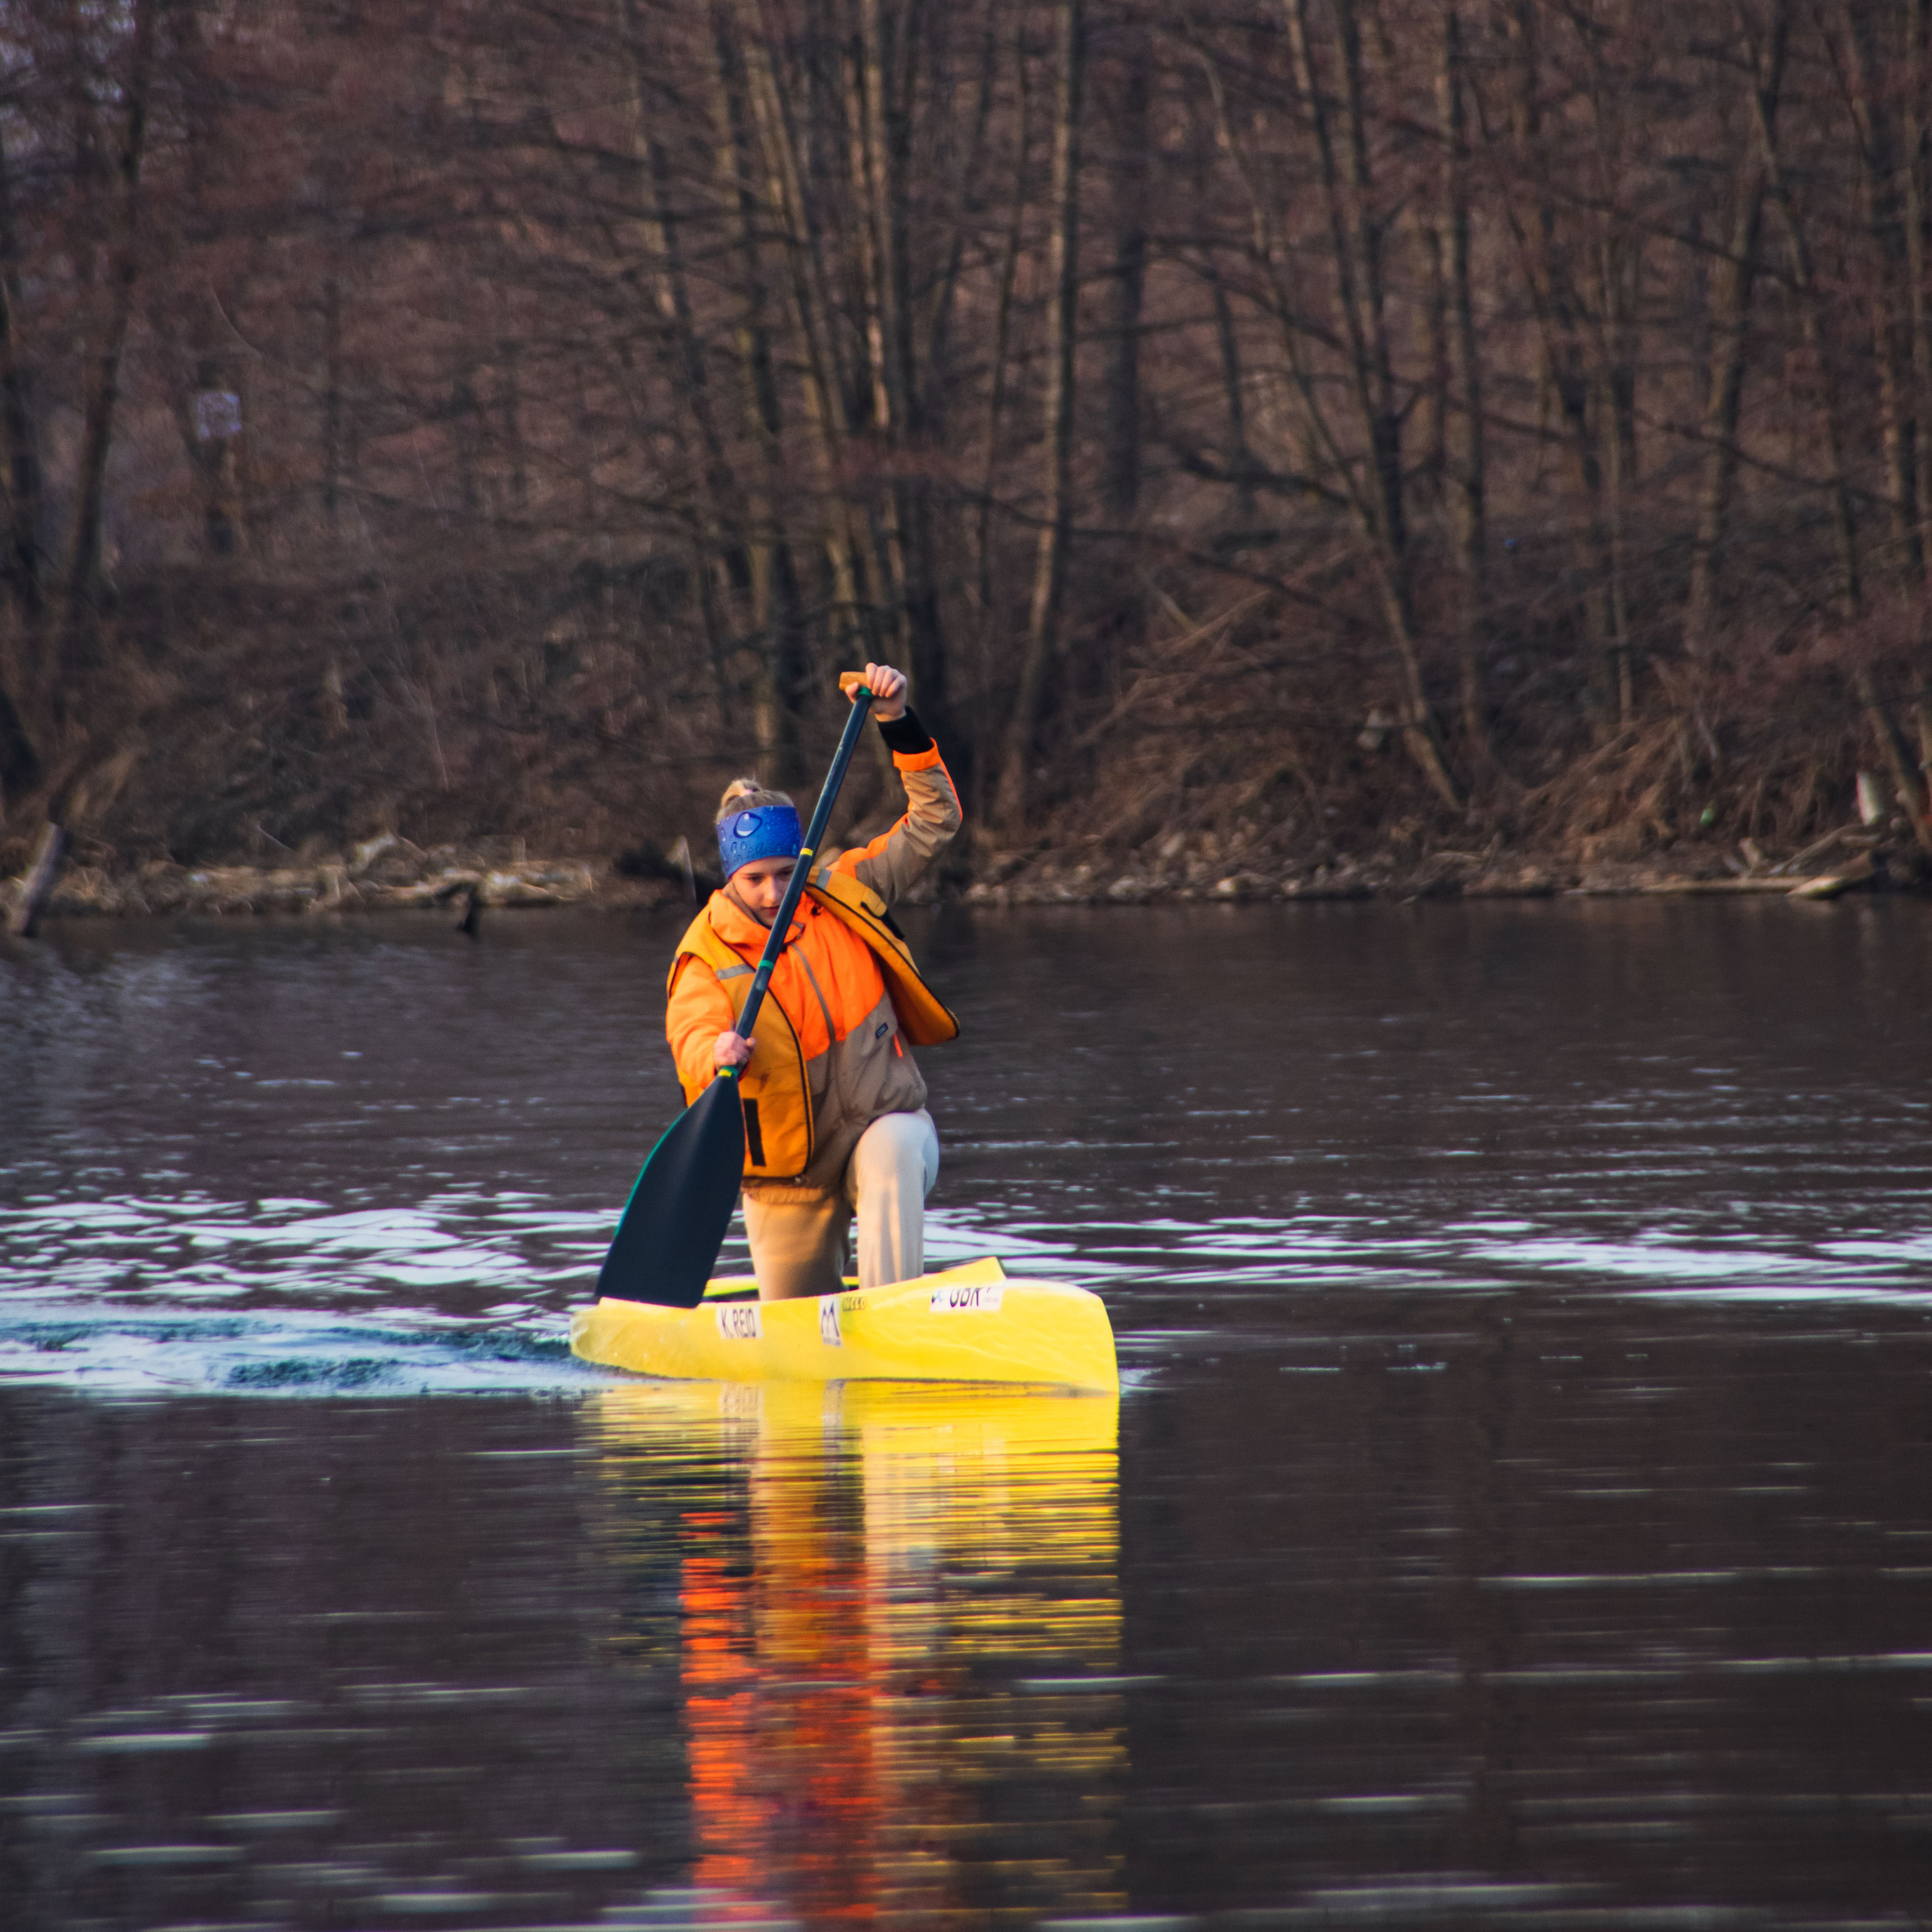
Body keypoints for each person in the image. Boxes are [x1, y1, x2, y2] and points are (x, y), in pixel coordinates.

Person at [665, 664, 962, 1301]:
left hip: (883, 1130)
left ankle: (891, 1310)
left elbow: (936, 820)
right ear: (730, 880)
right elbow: (691, 1036)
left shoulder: (845, 892)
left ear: (801, 860)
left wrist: (896, 719)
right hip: (785, 1180)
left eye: (783, 873)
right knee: (796, 1309)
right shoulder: (704, 954)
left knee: (892, 1147)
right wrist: (714, 1054)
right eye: (754, 880)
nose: (773, 892)